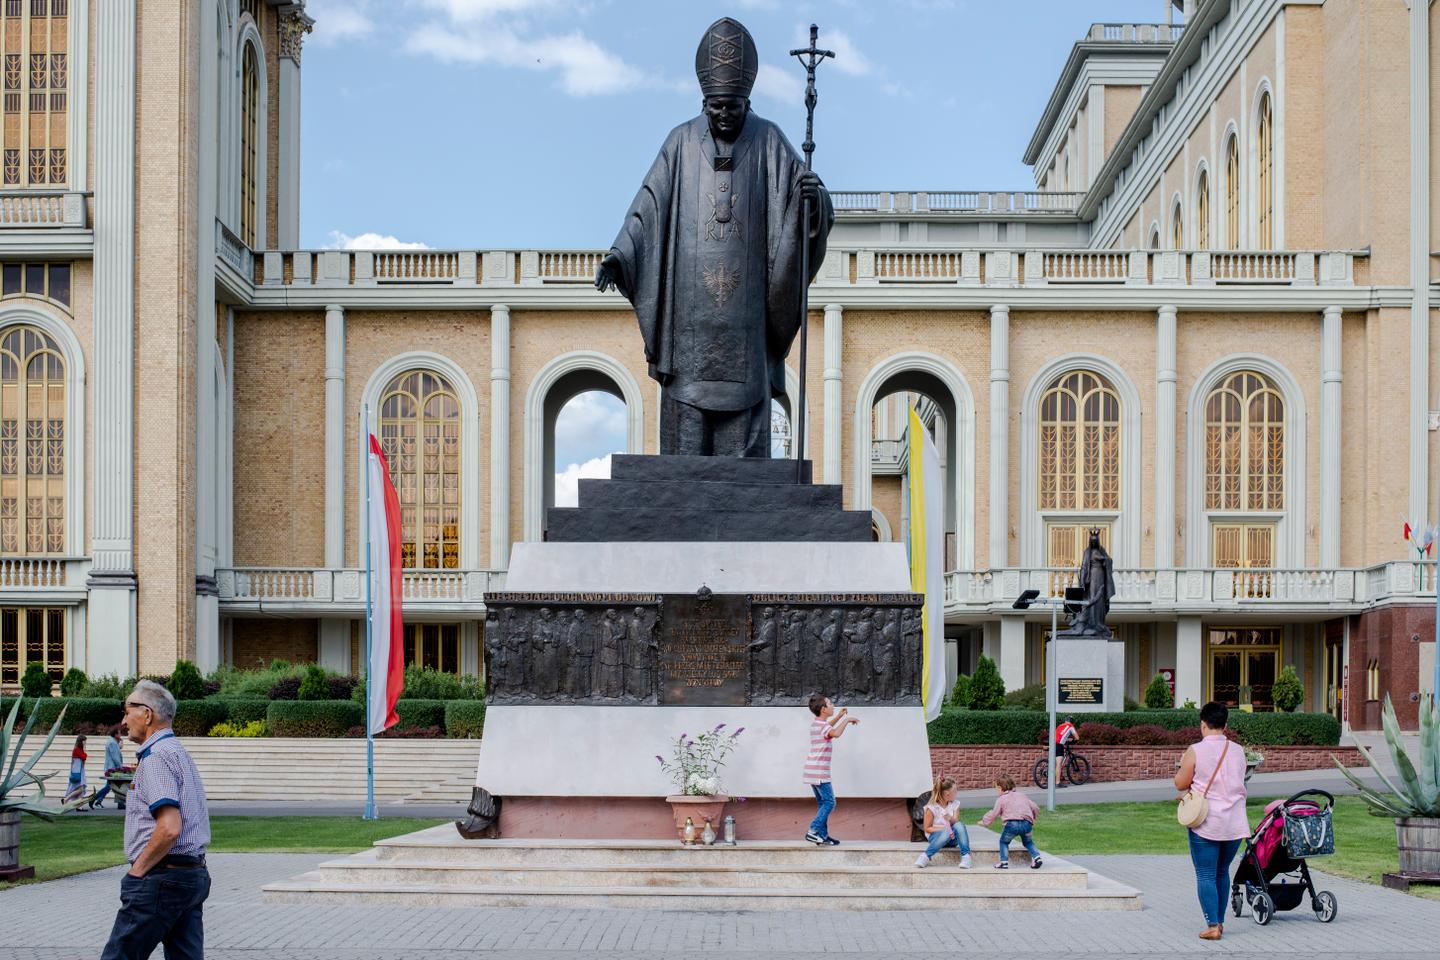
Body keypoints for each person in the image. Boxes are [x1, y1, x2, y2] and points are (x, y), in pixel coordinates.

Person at [594, 17, 832, 457]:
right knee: (686, 444)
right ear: (704, 101)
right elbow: (649, 206)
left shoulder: (769, 140)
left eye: (732, 107)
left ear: (747, 101)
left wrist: (813, 203)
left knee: (745, 467)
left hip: (748, 329)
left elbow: (804, 209)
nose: (723, 114)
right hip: (689, 328)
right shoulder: (681, 142)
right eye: (715, 107)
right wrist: (620, 255)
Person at [99, 679, 212, 960]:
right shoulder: (178, 753)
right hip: (191, 876)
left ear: (146, 714)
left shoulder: (157, 758)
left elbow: (170, 827)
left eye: (127, 711)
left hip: (162, 878)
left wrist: (137, 871)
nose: (124, 721)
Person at [1175, 700, 1248, 941]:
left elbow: (1181, 783)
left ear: (1203, 724)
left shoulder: (1196, 750)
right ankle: (1221, 922)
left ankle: (1213, 925)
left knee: (1205, 874)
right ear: (1225, 724)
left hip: (1206, 821)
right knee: (1222, 871)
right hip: (1235, 822)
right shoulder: (1238, 750)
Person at [802, 694, 858, 846]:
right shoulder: (824, 727)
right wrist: (846, 720)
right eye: (830, 703)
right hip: (820, 772)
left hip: (812, 771)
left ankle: (823, 835)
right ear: (823, 709)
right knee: (830, 803)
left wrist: (839, 716)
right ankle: (813, 830)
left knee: (823, 804)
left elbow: (829, 728)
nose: (833, 705)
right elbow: (836, 733)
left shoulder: (817, 724)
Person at [979, 774, 1043, 869]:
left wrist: (985, 821)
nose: (996, 791)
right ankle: (1037, 857)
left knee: (1004, 842)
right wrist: (1032, 817)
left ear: (1000, 788)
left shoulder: (1001, 799)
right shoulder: (1022, 795)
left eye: (996, 788)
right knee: (1028, 842)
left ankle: (1004, 862)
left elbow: (994, 813)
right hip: (1026, 823)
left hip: (1011, 825)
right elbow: (1035, 807)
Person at [915, 776, 971, 869]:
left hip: (952, 839)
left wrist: (950, 818)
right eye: (955, 791)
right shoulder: (932, 807)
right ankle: (925, 856)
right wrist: (945, 829)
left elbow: (956, 822)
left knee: (960, 825)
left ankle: (966, 857)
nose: (957, 793)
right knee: (946, 832)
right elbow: (927, 828)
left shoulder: (955, 804)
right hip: (936, 838)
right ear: (947, 794)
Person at [90, 725, 127, 810]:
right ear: (115, 734)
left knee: (116, 785)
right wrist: (121, 768)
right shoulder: (112, 743)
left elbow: (118, 750)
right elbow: (115, 757)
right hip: (112, 769)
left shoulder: (113, 742)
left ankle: (120, 803)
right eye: (119, 732)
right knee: (110, 786)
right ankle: (93, 799)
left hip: (112, 768)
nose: (121, 734)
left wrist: (120, 742)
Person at [63, 734, 88, 805]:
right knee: (81, 789)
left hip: (79, 771)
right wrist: (84, 748)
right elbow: (84, 757)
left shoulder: (78, 749)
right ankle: (66, 799)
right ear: (81, 741)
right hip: (77, 772)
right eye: (84, 741)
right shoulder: (77, 750)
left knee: (81, 789)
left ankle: (79, 805)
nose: (85, 743)